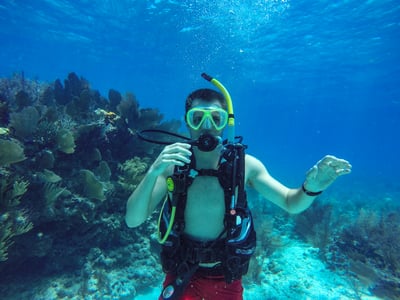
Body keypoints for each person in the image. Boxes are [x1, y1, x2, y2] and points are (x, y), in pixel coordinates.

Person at [125, 83, 352, 300]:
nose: (207, 125)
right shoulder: (172, 166)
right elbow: (133, 219)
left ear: (227, 123)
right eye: (197, 118)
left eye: (216, 118)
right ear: (188, 123)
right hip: (181, 272)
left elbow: (291, 203)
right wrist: (154, 171)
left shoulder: (246, 167)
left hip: (226, 276)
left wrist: (312, 187)